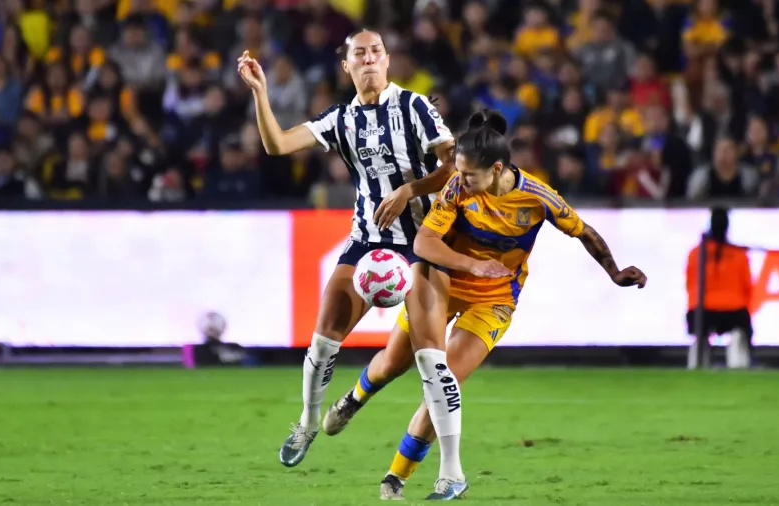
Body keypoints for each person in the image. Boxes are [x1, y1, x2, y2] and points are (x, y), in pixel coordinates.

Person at [321, 111, 648, 500]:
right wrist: (473, 264)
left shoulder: (538, 198)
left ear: (496, 170)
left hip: (494, 299)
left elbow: (584, 232)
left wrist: (613, 271)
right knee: (393, 363)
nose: (459, 180)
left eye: (469, 175)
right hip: (440, 284)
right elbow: (424, 243)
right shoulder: (458, 189)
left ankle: (396, 478)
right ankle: (356, 397)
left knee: (445, 383)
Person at [235, 28, 457, 469]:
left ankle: (451, 470)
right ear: (347, 65)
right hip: (366, 241)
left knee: (431, 358)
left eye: (376, 52)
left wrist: (408, 190)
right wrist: (261, 93)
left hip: (422, 241)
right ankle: (307, 422)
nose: (369, 59)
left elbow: (454, 168)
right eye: (360, 53)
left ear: (388, 60)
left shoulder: (415, 107)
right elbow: (277, 144)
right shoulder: (339, 119)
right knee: (321, 343)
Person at [685, 207, 753, 369]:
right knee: (739, 332)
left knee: (700, 335)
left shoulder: (696, 252)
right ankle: (738, 365)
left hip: (702, 311)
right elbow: (747, 286)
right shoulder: (739, 253)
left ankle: (697, 363)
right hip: (734, 311)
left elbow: (689, 284)